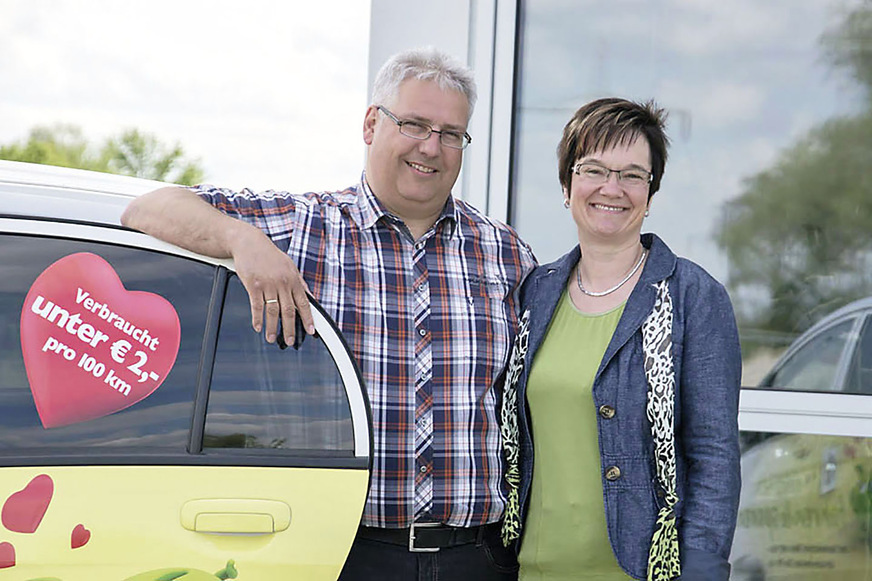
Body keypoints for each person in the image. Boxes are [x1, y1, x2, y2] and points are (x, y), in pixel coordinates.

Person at [122, 47, 535, 580]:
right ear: (371, 123)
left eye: (451, 133)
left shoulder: (506, 255)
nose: (431, 148)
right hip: (344, 554)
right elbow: (146, 209)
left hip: (477, 557)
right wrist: (240, 239)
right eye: (413, 124)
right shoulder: (305, 228)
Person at [498, 98, 741, 581]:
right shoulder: (533, 294)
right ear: (567, 185)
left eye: (633, 175)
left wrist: (702, 568)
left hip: (643, 572)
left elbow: (714, 454)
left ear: (650, 194)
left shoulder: (694, 298)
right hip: (531, 570)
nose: (613, 188)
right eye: (594, 169)